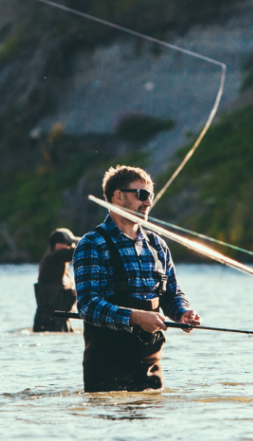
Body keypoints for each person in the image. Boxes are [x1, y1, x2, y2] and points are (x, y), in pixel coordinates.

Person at [73, 164, 200, 392]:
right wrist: (135, 317)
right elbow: (88, 305)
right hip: (107, 371)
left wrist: (183, 313)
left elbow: (172, 294)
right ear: (118, 197)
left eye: (150, 196)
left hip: (152, 370)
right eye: (141, 195)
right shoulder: (92, 244)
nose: (148, 203)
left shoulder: (157, 244)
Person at [33, 228, 80, 332]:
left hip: (59, 318)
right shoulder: (52, 259)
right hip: (49, 321)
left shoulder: (59, 264)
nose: (70, 247)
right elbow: (78, 251)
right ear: (58, 245)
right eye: (68, 244)